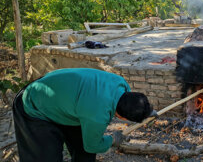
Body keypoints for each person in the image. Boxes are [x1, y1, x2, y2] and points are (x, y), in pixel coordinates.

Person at [12, 68, 155, 162]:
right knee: (45, 157)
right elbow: (93, 145)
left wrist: (147, 111)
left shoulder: (121, 84)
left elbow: (132, 102)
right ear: (122, 117)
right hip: (36, 104)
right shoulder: (96, 116)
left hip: (68, 102)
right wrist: (112, 140)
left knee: (84, 154)